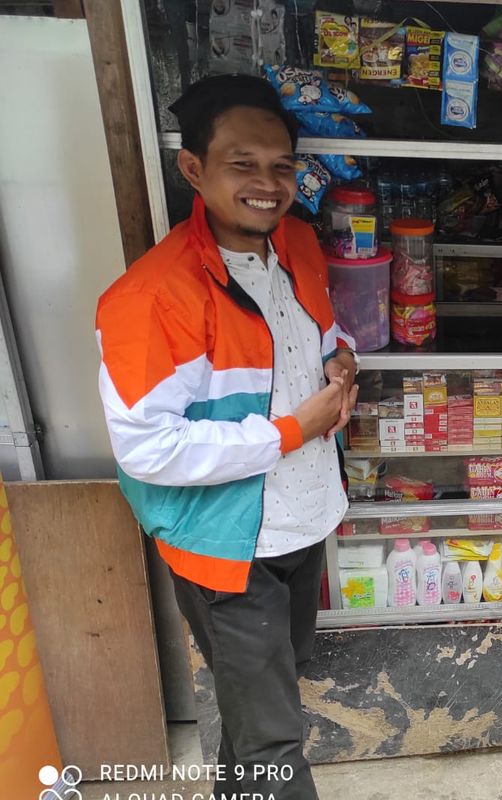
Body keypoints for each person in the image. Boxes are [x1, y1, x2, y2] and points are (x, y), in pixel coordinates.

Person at [95, 74, 357, 800]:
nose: (268, 184)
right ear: (193, 169)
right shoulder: (150, 298)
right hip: (225, 548)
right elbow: (147, 448)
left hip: (302, 522)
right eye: (242, 163)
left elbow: (316, 336)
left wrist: (342, 358)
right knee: (274, 738)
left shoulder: (299, 244)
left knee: (260, 711)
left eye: (281, 166)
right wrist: (288, 431)